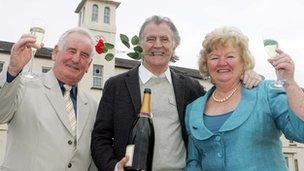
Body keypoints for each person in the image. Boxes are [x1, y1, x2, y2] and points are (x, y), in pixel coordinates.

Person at [91, 15, 261, 171]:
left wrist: (246, 75)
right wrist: (113, 167)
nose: (157, 45)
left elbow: (222, 98)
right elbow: (100, 138)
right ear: (141, 44)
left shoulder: (190, 87)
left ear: (175, 45)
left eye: (164, 39)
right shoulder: (116, 86)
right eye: (151, 39)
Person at [185, 26, 304, 170]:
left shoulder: (266, 92)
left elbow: (300, 132)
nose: (222, 63)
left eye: (230, 56)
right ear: (206, 64)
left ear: (243, 61)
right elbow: (194, 162)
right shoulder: (193, 109)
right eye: (214, 57)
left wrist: (289, 82)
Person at [0, 27, 98, 170]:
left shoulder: (93, 105)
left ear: (89, 64)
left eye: (84, 55)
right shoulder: (23, 84)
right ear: (55, 53)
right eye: (71, 51)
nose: (76, 59)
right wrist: (13, 70)